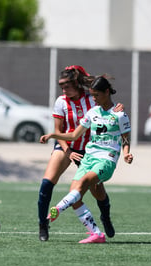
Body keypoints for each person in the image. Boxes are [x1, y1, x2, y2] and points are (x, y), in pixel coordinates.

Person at [40, 75, 133, 243]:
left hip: (107, 159)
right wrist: (53, 134)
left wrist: (126, 152)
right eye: (92, 95)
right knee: (75, 197)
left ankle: (56, 211)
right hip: (89, 158)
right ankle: (96, 234)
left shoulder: (120, 115)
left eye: (96, 95)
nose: (94, 99)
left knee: (83, 183)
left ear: (106, 92)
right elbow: (75, 134)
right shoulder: (92, 112)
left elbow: (126, 138)